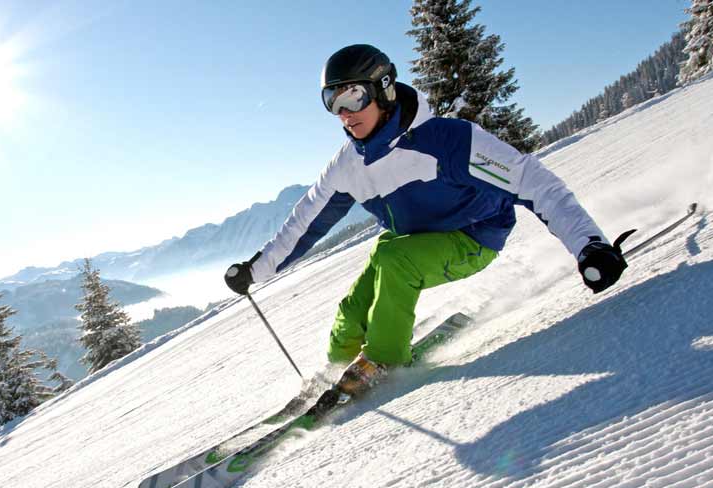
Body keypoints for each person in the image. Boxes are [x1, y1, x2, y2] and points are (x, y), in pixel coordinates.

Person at [224, 44, 629, 395]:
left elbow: (533, 182)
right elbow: (304, 224)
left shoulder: (447, 141)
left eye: (352, 97)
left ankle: (383, 362)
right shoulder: (348, 165)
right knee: (357, 302)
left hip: (474, 237)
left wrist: (588, 244)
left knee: (394, 260)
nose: (344, 114)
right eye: (332, 101)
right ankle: (338, 367)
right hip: (411, 242)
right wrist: (255, 271)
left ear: (383, 89)